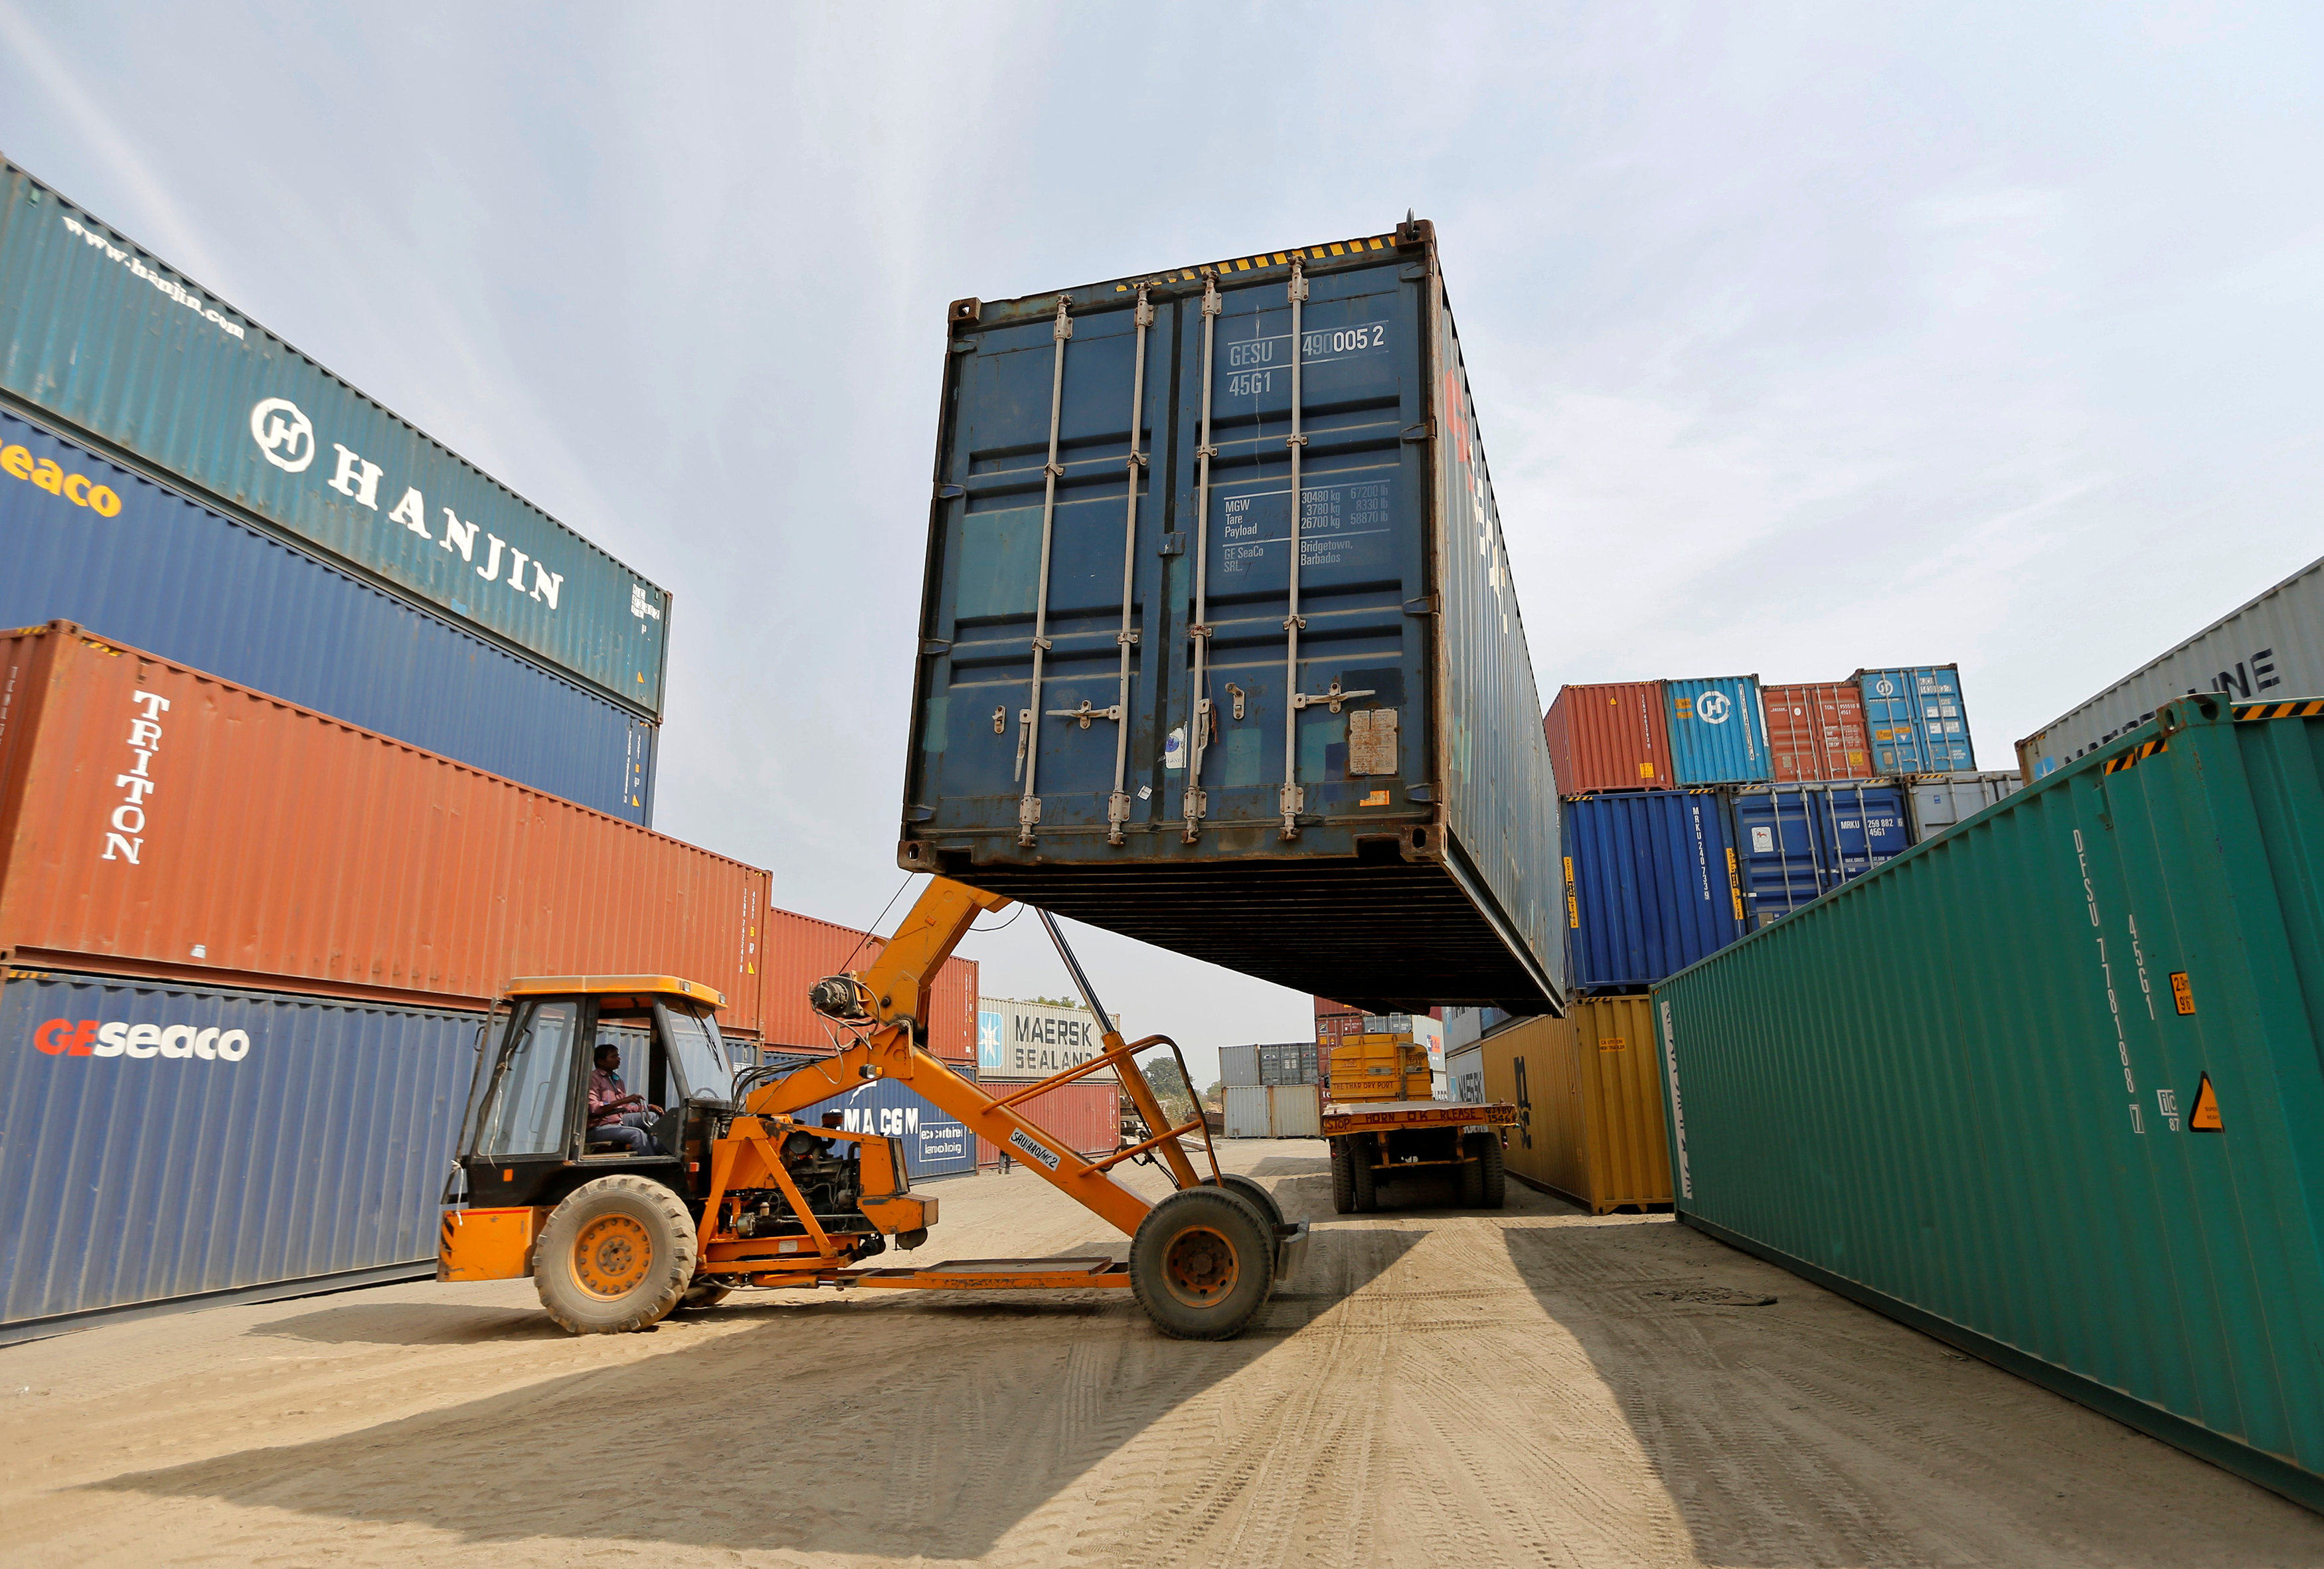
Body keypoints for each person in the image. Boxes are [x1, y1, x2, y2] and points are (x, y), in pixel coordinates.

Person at [587, 1042, 662, 1156]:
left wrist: (648, 1107)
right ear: (601, 1061)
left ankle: (659, 1154)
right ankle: (652, 1163)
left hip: (619, 1121)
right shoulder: (593, 1078)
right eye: (613, 1057)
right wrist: (625, 1100)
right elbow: (594, 1108)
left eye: (618, 1055)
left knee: (652, 1116)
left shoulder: (617, 1080)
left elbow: (625, 1109)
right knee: (637, 1134)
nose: (618, 1059)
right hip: (599, 1127)